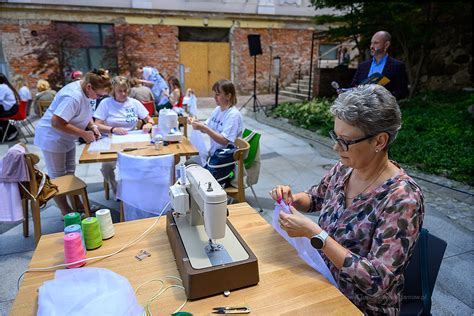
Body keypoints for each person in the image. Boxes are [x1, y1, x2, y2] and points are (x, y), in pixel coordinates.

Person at [270, 84, 424, 315]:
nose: (335, 147)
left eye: (345, 141)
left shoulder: (403, 199)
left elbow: (378, 281)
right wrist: (291, 198)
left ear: (380, 141)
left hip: (359, 306)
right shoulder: (344, 169)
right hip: (321, 278)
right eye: (335, 136)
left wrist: (317, 235)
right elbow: (315, 197)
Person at [34, 68, 111, 216]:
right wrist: (83, 133)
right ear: (89, 87)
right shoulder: (72, 96)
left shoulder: (88, 91)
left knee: (70, 173)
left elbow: (86, 110)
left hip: (67, 136)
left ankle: (78, 206)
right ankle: (66, 212)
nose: (98, 98)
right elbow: (56, 122)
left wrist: (92, 125)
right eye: (99, 95)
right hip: (53, 137)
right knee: (58, 177)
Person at [93, 76, 154, 196]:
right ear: (113, 91)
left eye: (125, 90)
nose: (123, 93)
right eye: (119, 91)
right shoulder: (106, 103)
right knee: (106, 168)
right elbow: (97, 125)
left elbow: (149, 119)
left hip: (132, 140)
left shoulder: (134, 103)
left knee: (141, 164)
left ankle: (137, 190)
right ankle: (116, 190)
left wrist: (149, 124)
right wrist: (113, 129)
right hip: (112, 140)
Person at [189, 79, 243, 163]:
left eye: (218, 94)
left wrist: (204, 127)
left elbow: (224, 141)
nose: (214, 97)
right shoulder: (218, 109)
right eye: (215, 94)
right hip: (215, 155)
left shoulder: (233, 115)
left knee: (190, 164)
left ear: (228, 96)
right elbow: (205, 128)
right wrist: (196, 123)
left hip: (225, 160)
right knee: (190, 163)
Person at [351, 31, 409, 100]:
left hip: (385, 109)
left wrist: (383, 100)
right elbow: (353, 86)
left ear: (386, 45)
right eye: (371, 43)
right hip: (362, 109)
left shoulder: (397, 66)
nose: (371, 46)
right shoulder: (363, 66)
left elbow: (402, 92)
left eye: (376, 43)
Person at [0, 73, 20, 141]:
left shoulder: (2, 87)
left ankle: (12, 131)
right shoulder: (5, 86)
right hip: (13, 108)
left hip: (12, 110)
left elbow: (0, 99)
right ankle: (6, 133)